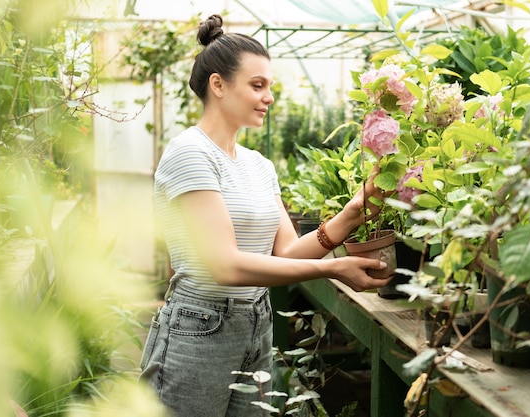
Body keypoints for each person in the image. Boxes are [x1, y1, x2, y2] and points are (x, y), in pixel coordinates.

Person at [139, 14, 392, 417]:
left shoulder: (258, 165)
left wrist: (351, 214)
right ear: (218, 85)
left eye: (269, 86)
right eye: (257, 85)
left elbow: (287, 252)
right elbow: (225, 267)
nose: (269, 97)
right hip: (200, 326)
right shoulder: (189, 152)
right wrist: (333, 267)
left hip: (256, 321)